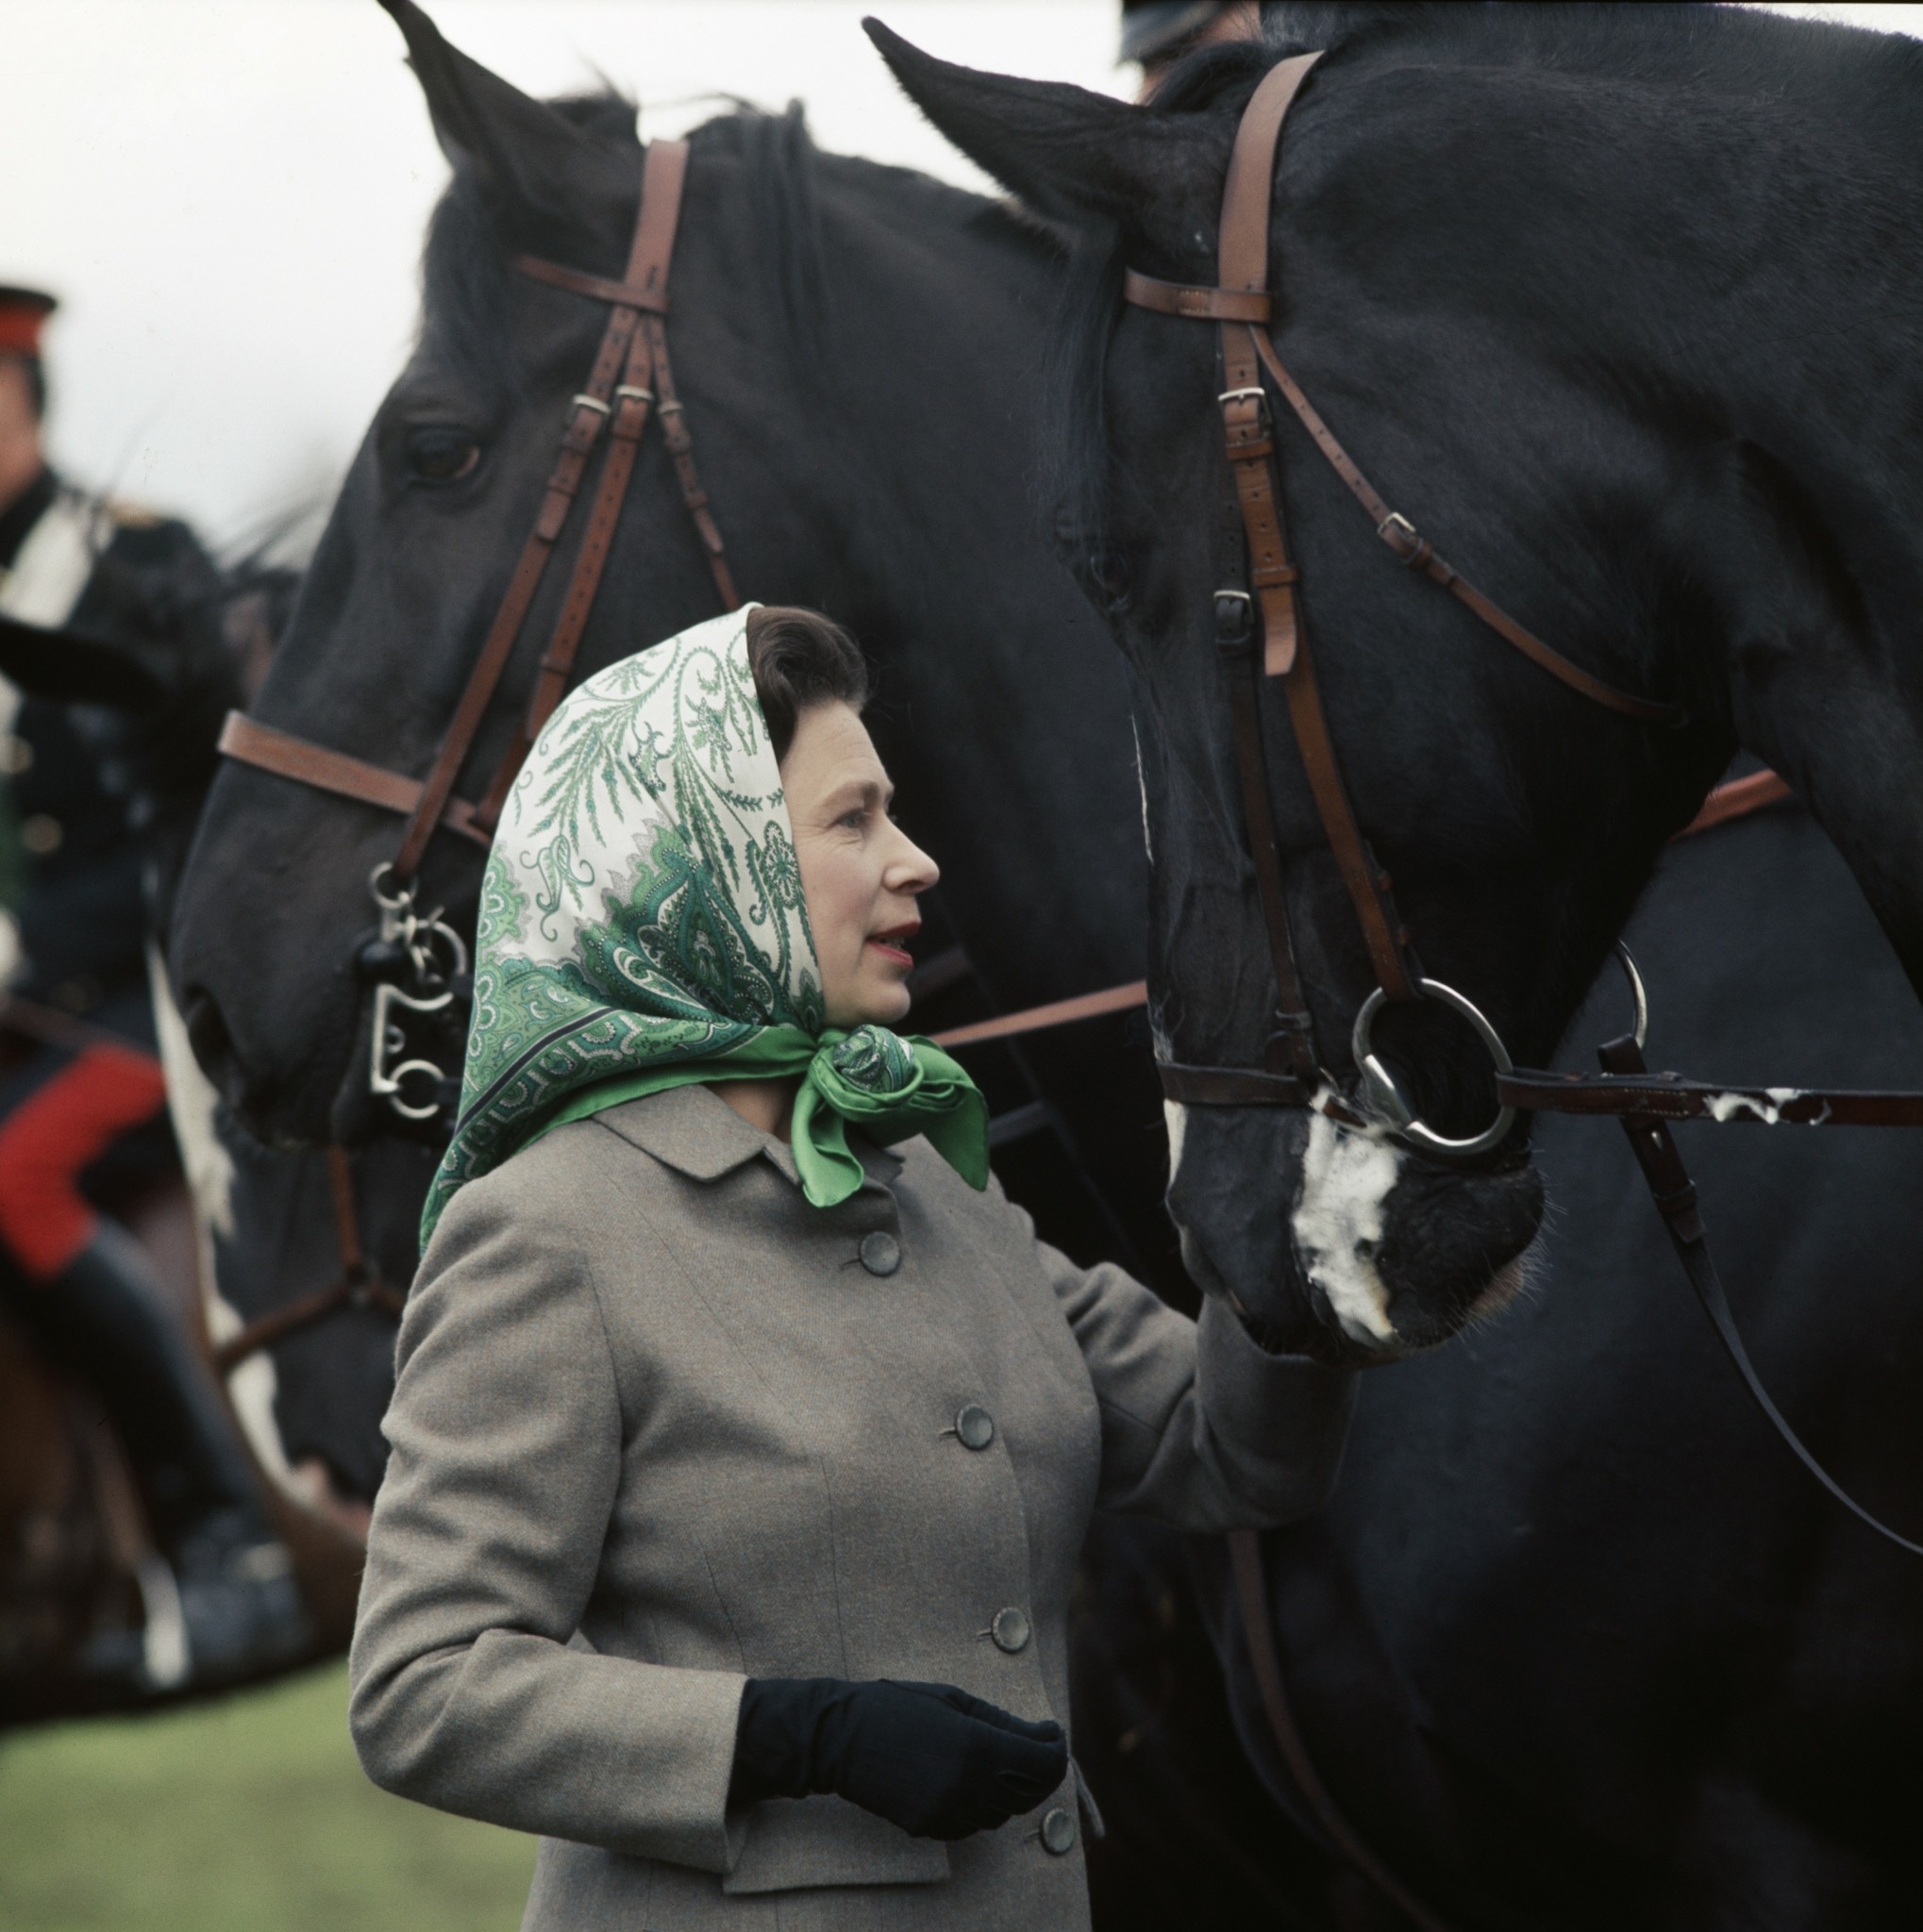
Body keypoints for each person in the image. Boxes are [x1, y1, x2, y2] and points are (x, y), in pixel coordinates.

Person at [349, 604, 1354, 1930]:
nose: (916, 862)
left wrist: (1296, 1220)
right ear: (704, 867)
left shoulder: (927, 1177)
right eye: (853, 821)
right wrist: (788, 1735)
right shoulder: (546, 1234)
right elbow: (422, 1686)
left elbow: (1230, 1451)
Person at [0, 281, 308, 1691]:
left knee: (10, 1181)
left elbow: (207, 810)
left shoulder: (133, 567)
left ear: (22, 398)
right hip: (22, 1020)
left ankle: (224, 1543)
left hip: (141, 1002)